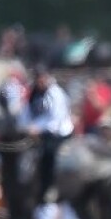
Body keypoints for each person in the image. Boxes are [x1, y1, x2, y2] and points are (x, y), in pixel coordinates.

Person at [24, 65, 74, 203]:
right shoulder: (34, 93)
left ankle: (49, 187)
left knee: (49, 155)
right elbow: (27, 112)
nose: (39, 81)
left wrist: (36, 128)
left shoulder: (56, 93)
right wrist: (26, 126)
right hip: (38, 131)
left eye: (41, 78)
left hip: (57, 133)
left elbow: (56, 119)